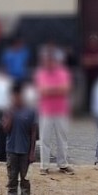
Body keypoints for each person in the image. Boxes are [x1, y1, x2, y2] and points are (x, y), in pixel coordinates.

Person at [2, 83, 40, 195]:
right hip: (11, 150)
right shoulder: (8, 110)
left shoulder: (30, 111)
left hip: (25, 151)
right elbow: (5, 129)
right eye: (14, 96)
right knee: (12, 178)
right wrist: (11, 114)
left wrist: (32, 152)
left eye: (19, 95)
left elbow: (33, 132)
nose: (17, 98)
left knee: (25, 179)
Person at [34, 47, 73, 175]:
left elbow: (66, 89)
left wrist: (50, 90)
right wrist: (57, 90)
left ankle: (63, 164)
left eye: (51, 60)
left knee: (62, 138)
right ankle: (44, 166)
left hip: (61, 110)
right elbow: (41, 91)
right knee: (45, 139)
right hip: (46, 111)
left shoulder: (63, 72)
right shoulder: (40, 73)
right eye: (47, 60)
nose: (49, 62)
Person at [81, 34, 98, 112]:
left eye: (95, 41)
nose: (93, 43)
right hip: (89, 75)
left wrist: (91, 61)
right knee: (89, 92)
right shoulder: (87, 51)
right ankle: (89, 109)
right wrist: (95, 61)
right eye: (92, 41)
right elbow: (85, 62)